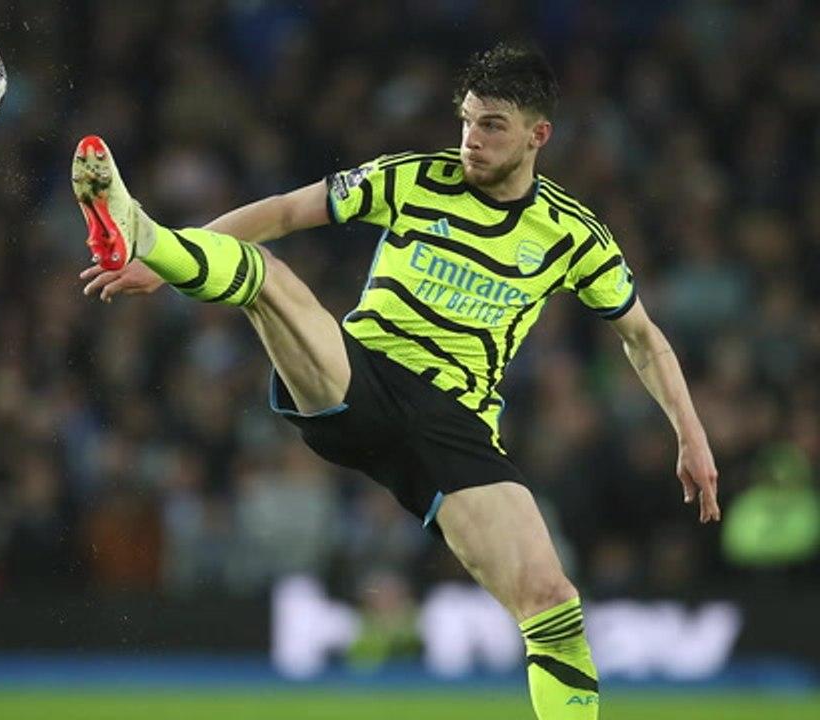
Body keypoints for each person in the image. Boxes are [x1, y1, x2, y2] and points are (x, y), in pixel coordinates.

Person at [73, 43, 719, 719]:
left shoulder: (573, 234)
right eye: (466, 121)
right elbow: (287, 211)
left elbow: (642, 336)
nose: (471, 139)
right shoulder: (412, 177)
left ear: (539, 135)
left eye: (492, 125)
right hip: (361, 378)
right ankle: (144, 232)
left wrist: (690, 433)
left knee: (553, 604)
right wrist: (166, 262)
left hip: (455, 428)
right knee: (268, 278)